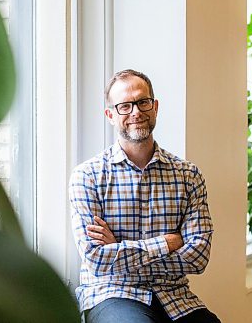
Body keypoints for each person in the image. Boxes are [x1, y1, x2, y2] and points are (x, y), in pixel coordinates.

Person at [69, 69, 220, 323]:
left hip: (175, 296)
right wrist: (169, 242)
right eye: (124, 106)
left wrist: (118, 250)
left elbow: (199, 257)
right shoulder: (88, 177)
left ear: (155, 106)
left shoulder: (188, 175)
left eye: (142, 102)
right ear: (110, 115)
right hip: (111, 294)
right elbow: (96, 260)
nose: (136, 112)